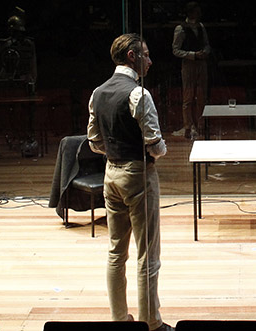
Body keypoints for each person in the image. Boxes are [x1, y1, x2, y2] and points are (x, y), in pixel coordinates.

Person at [87, 33, 172, 331]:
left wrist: (114, 152)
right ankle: (151, 323)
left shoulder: (98, 92)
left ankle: (119, 320)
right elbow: (154, 144)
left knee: (115, 252)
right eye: (146, 55)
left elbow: (94, 142)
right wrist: (161, 151)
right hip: (138, 175)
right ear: (132, 57)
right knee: (148, 255)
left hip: (110, 174)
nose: (150, 60)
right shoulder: (139, 94)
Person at [171, 1, 211, 139]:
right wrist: (193, 55)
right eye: (196, 11)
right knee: (188, 96)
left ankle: (201, 125)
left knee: (202, 96)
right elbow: (175, 50)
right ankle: (188, 125)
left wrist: (205, 52)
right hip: (189, 64)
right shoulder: (180, 28)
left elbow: (206, 44)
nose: (199, 14)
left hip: (201, 64)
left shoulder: (200, 26)